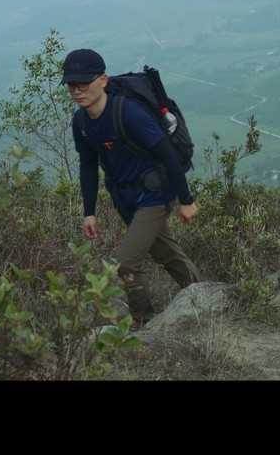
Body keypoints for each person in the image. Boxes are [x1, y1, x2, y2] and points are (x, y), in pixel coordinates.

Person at [62, 48, 202, 328]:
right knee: (166, 253)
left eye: (83, 83)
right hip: (126, 197)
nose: (77, 91)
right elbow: (87, 166)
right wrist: (89, 212)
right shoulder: (81, 123)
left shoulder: (129, 113)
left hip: (153, 193)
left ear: (102, 80)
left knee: (124, 263)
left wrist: (185, 200)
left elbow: (167, 155)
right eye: (71, 85)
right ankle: (205, 297)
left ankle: (142, 320)